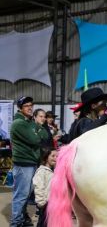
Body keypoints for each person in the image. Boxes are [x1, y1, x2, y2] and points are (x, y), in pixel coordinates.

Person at [10, 96, 48, 227]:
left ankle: (21, 219)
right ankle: (15, 223)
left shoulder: (29, 122)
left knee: (26, 195)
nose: (30, 107)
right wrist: (37, 131)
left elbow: (44, 135)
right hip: (23, 163)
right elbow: (35, 140)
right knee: (21, 195)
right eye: (26, 105)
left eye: (31, 105)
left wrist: (37, 130)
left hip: (30, 162)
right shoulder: (19, 123)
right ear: (20, 108)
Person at [32, 147, 58, 227]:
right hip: (45, 204)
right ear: (46, 157)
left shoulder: (53, 171)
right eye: (53, 156)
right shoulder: (42, 171)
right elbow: (38, 187)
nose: (55, 158)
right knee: (43, 224)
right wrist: (41, 202)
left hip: (52, 203)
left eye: (57, 156)